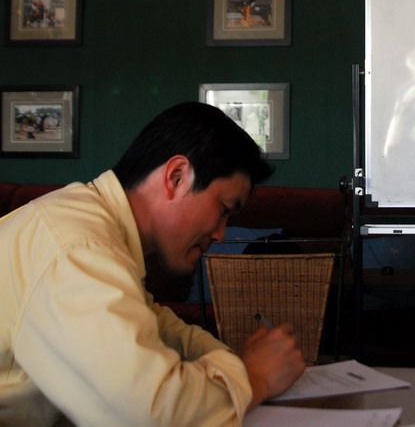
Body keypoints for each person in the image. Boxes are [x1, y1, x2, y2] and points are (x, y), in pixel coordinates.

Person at [0, 102, 306, 426]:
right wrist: (253, 378)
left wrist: (231, 361)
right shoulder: (78, 247)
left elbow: (157, 326)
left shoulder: (94, 227)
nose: (220, 233)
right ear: (176, 177)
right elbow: (147, 414)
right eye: (224, 209)